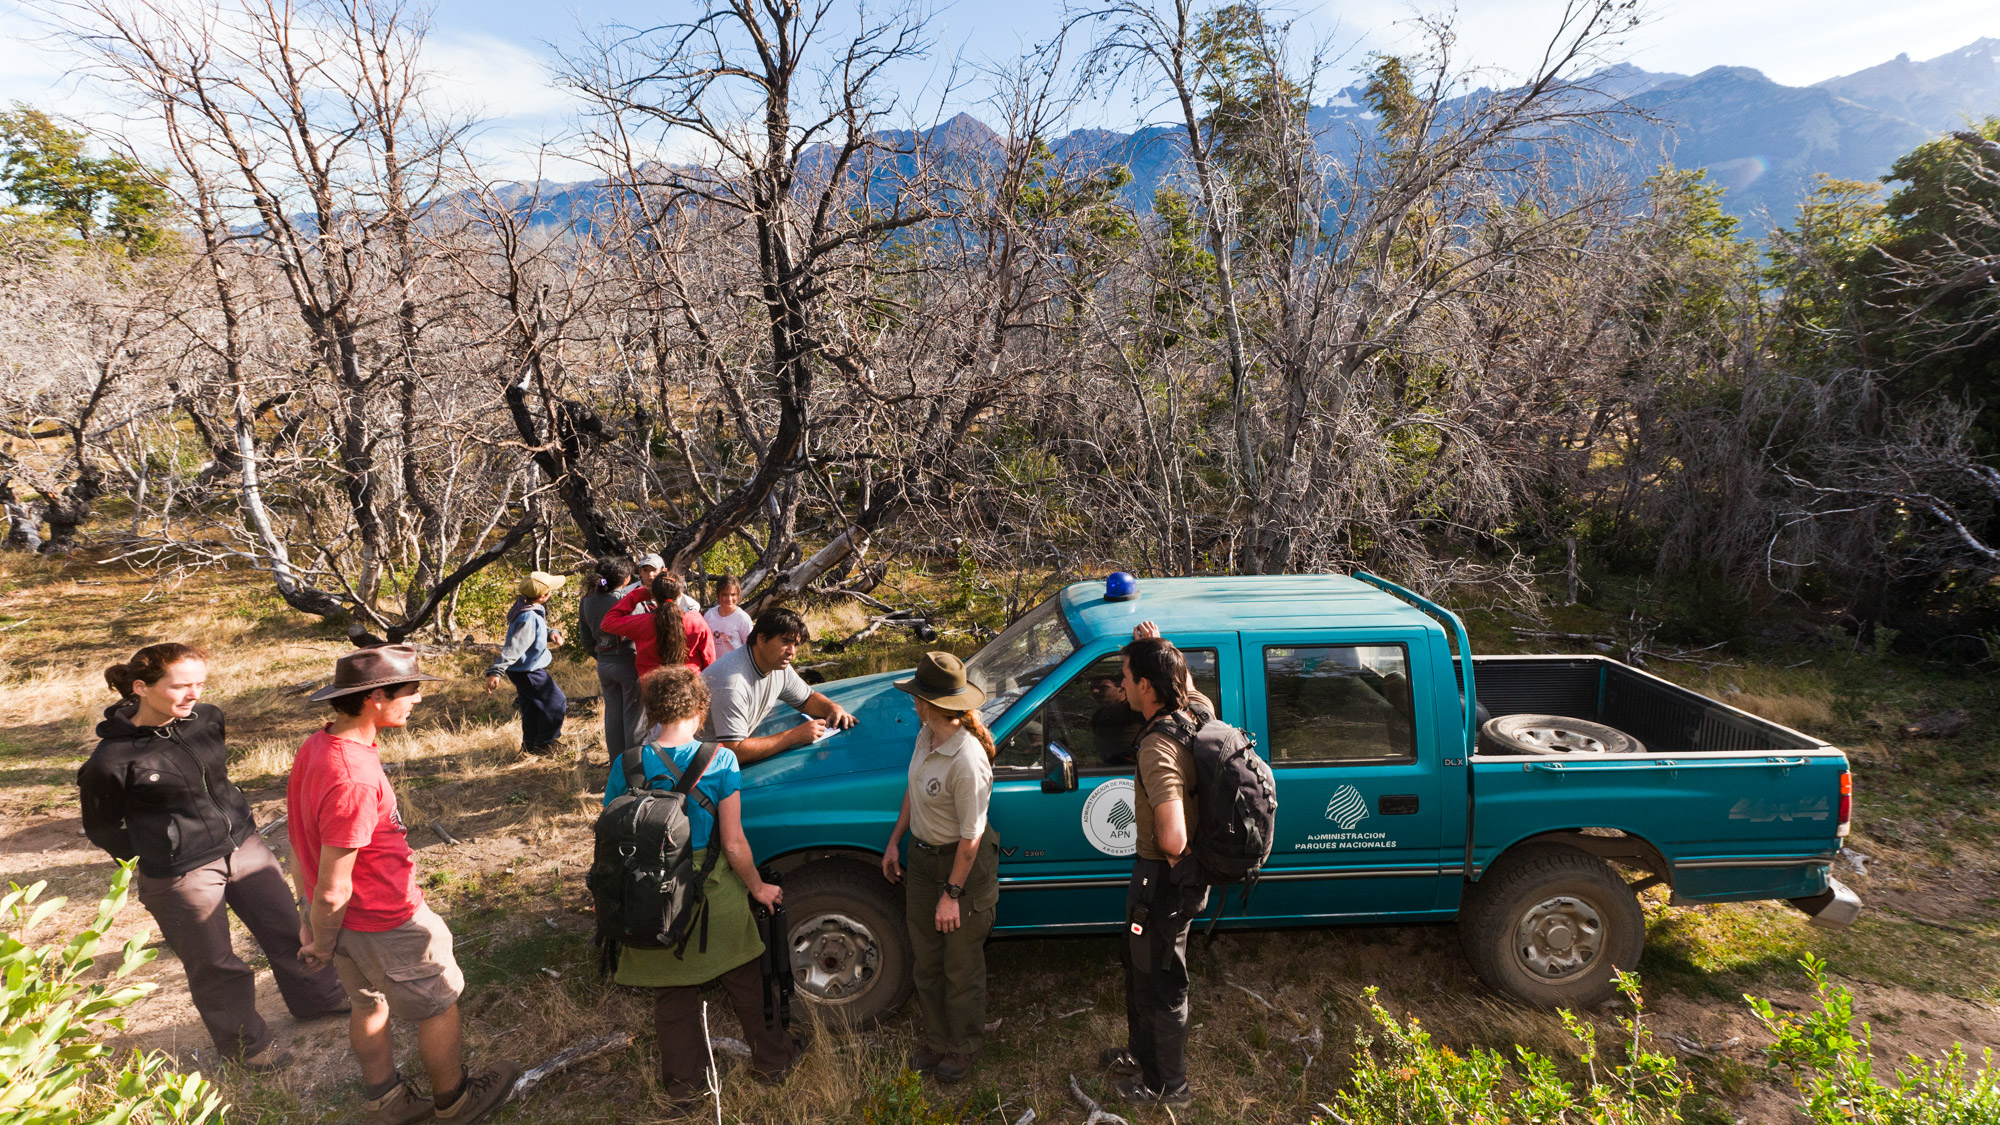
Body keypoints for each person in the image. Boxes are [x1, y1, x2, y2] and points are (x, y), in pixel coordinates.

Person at [78, 642, 348, 1069]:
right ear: (141, 688)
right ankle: (250, 1050)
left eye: (199, 684)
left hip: (244, 846)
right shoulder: (110, 761)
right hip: (180, 873)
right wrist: (158, 854)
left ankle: (322, 999)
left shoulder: (207, 719)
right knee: (216, 964)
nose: (194, 695)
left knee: (289, 930)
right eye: (181, 686)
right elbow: (103, 828)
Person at [290, 646, 519, 1125]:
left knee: (365, 1002)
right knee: (439, 1003)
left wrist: (308, 919)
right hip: (382, 918)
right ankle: (454, 1103)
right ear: (376, 696)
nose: (416, 699)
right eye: (411, 690)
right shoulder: (353, 776)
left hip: (340, 920)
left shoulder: (317, 747)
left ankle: (386, 1102)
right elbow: (335, 885)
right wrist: (320, 942)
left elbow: (299, 842)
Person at [603, 665, 799, 1106]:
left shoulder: (628, 762)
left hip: (652, 890)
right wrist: (757, 888)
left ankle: (684, 1088)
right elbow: (732, 842)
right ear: (699, 708)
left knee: (672, 998)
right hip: (711, 888)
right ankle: (773, 1060)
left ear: (653, 710)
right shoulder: (720, 759)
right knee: (748, 980)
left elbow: (611, 830)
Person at [879, 652, 999, 1085]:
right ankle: (936, 1038)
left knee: (960, 965)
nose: (913, 704)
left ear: (931, 705)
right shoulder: (926, 736)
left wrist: (952, 894)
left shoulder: (967, 759)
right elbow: (914, 789)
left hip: (960, 867)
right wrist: (896, 840)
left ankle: (963, 1046)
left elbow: (971, 837)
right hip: (923, 859)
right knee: (926, 959)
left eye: (917, 698)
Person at [1100, 636, 1207, 1110]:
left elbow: (1173, 839)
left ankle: (1170, 1087)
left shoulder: (1156, 747)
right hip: (1167, 880)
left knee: (1162, 981)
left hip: (1163, 879)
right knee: (1140, 968)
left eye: (1126, 677)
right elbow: (1193, 692)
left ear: (1146, 686)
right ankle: (1143, 1057)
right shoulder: (1193, 714)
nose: (1120, 686)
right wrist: (1163, 652)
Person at [699, 607, 856, 765]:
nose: (792, 652)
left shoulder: (777, 667)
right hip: (693, 771)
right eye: (785, 642)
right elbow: (734, 751)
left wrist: (832, 708)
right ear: (761, 639)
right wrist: (795, 736)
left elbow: (807, 699)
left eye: (796, 644)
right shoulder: (732, 684)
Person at [484, 571, 568, 754]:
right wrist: (496, 671)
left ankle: (530, 746)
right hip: (528, 671)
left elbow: (539, 629)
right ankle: (546, 743)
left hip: (524, 670)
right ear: (542, 596)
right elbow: (514, 647)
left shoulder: (526, 607)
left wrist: (551, 632)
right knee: (556, 703)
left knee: (532, 707)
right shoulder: (528, 617)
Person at [578, 558, 645, 758]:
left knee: (613, 717)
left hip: (605, 662)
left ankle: (616, 766)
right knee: (634, 719)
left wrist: (600, 655)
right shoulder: (624, 601)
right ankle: (633, 770)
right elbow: (642, 628)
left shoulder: (587, 599)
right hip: (628, 662)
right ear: (625, 579)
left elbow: (585, 638)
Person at [601, 573, 716, 676]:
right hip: (690, 681)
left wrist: (637, 594)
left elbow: (608, 623)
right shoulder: (695, 620)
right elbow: (709, 658)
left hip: (653, 686)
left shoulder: (642, 623)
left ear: (653, 596)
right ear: (679, 595)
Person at [702, 575, 754, 658]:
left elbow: (750, 648)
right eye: (725, 594)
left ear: (738, 595)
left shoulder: (743, 619)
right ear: (718, 594)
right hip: (713, 667)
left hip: (735, 667)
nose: (729, 599)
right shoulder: (709, 615)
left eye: (733, 594)